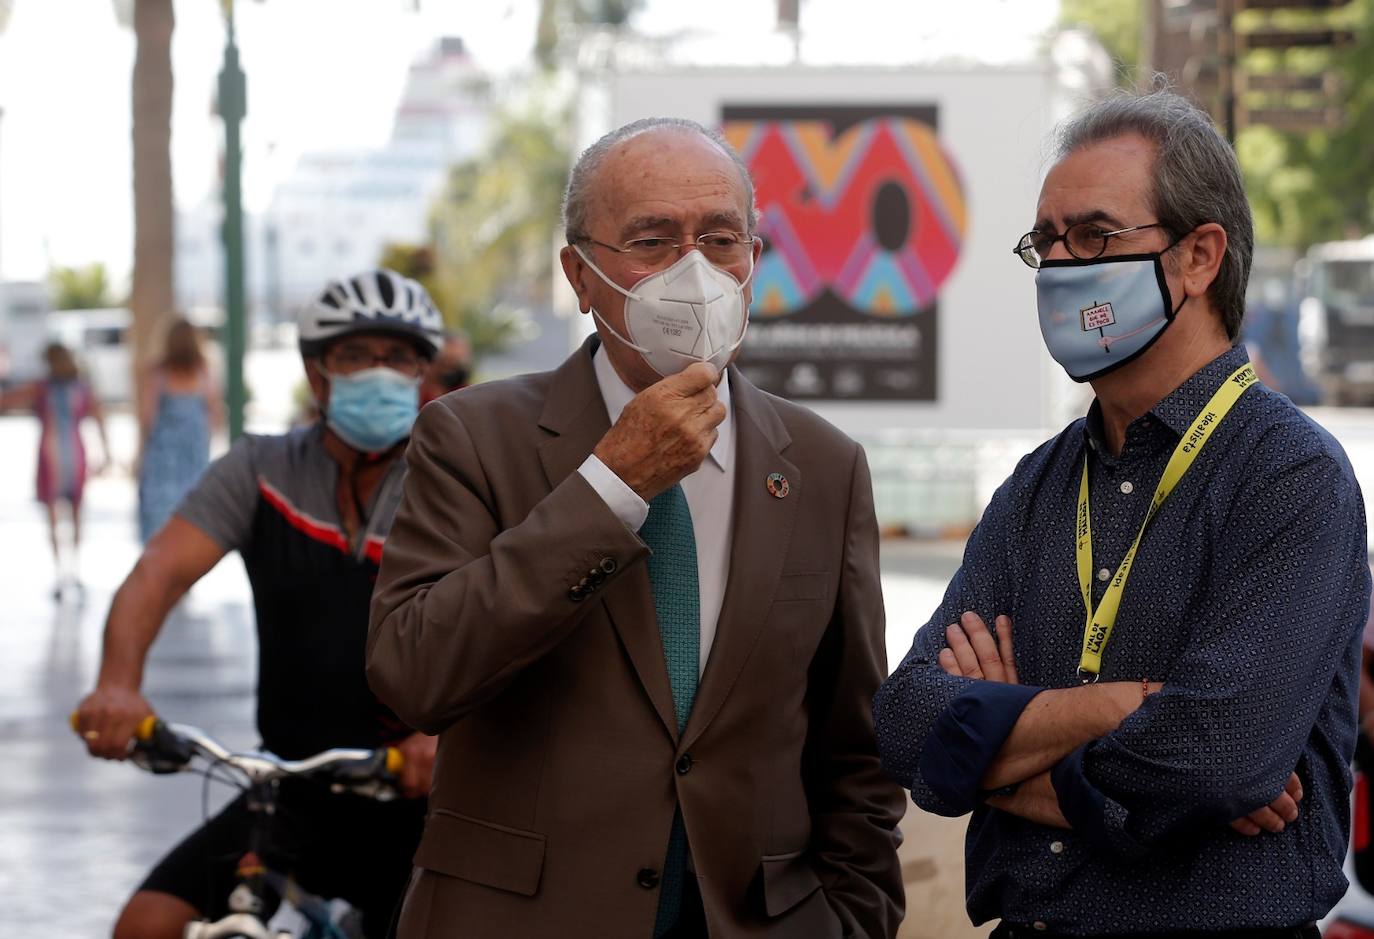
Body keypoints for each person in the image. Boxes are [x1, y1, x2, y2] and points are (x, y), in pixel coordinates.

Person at [367, 118, 905, 939]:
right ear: (579, 277)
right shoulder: (472, 438)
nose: (693, 271)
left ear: (753, 261)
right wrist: (610, 486)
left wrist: (853, 920)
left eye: (720, 239)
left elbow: (854, 749)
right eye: (652, 241)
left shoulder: (825, 466)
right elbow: (415, 672)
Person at [873, 89, 1369, 939]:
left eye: (1095, 236)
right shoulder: (1037, 486)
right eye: (1048, 241)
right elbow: (905, 723)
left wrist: (993, 755)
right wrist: (1114, 707)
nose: (1062, 265)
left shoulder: (1291, 478)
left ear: (1198, 256)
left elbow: (1214, 760)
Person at [72, 269, 445, 939]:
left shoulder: (456, 478)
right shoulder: (261, 469)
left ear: (423, 370)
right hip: (290, 785)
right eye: (355, 355)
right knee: (146, 924)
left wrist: (451, 735)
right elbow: (157, 573)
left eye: (398, 356)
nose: (378, 373)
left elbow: (517, 620)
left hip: (420, 796)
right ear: (316, 371)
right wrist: (117, 685)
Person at [0, 342, 111, 598]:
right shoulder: (80, 388)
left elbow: (6, 401)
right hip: (75, 454)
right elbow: (100, 418)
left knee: (54, 517)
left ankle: (63, 572)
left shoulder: (43, 388)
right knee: (75, 515)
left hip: (51, 457)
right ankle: (73, 570)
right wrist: (106, 452)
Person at [137, 317, 222, 542]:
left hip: (162, 461)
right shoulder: (205, 372)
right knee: (190, 523)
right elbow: (214, 416)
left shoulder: (157, 374)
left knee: (159, 525)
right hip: (194, 458)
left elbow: (147, 418)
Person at [418, 329, 472, 405]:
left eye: (457, 365)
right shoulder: (417, 392)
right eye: (447, 363)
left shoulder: (465, 392)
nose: (451, 371)